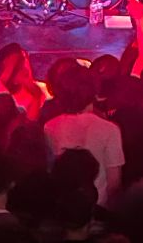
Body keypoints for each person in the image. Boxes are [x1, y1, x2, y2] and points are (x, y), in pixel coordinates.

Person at [43, 64, 124, 206]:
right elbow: (114, 182)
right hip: (98, 207)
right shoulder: (109, 129)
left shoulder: (50, 126)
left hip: (65, 207)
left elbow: (51, 171)